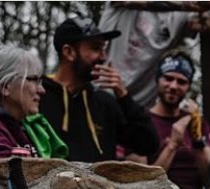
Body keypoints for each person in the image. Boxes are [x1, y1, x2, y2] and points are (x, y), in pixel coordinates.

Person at [40, 17, 158, 163]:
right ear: (69, 52)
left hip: (100, 186)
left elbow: (148, 145)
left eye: (104, 49)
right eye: (96, 48)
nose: (104, 57)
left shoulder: (104, 103)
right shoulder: (38, 96)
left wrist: (124, 96)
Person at [97, 3, 202, 111]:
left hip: (138, 109)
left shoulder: (181, 15)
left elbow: (209, 19)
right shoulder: (185, 5)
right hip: (99, 95)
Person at [144, 52, 210, 189]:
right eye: (168, 78)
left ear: (188, 86)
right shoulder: (142, 121)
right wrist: (172, 145)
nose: (174, 86)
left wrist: (197, 137)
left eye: (181, 81)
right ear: (158, 79)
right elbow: (140, 183)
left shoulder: (197, 122)